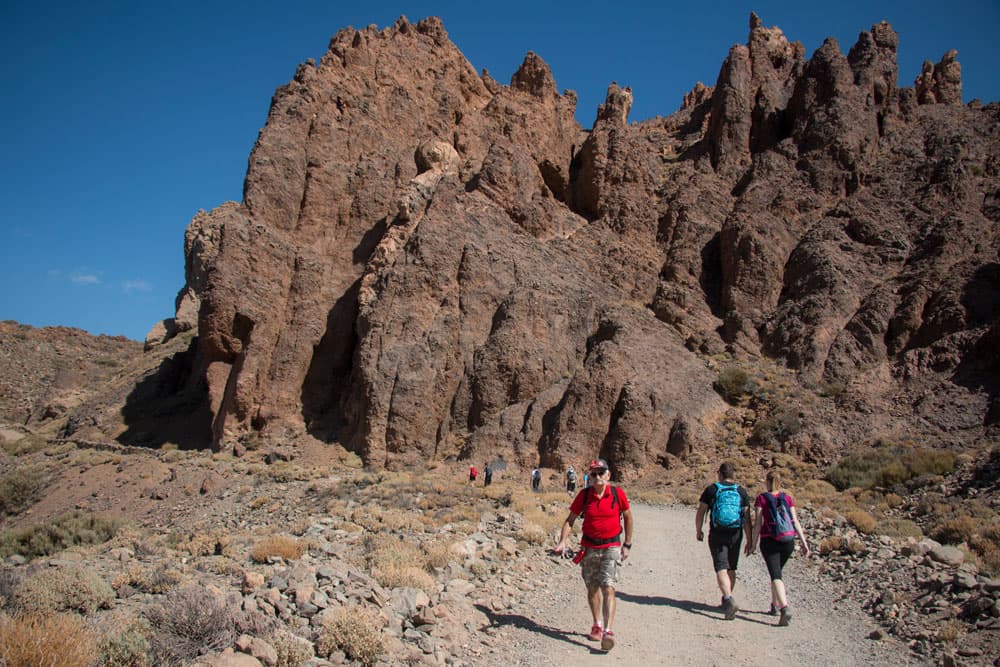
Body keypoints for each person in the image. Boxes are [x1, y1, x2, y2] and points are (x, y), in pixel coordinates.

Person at [553, 458, 634, 652]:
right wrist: (563, 541)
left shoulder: (617, 493)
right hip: (589, 548)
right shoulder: (584, 495)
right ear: (590, 476)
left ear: (608, 475)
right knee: (592, 588)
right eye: (593, 474)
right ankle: (596, 623)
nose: (597, 477)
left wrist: (627, 544)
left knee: (609, 587)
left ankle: (608, 631)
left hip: (611, 546)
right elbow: (570, 520)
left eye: (601, 473)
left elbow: (629, 517)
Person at [747, 469, 811, 626]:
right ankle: (774, 605)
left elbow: (758, 524)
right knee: (776, 573)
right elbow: (795, 521)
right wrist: (804, 543)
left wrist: (752, 543)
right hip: (788, 541)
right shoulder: (787, 498)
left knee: (775, 574)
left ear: (767, 482)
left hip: (770, 541)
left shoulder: (762, 498)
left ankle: (784, 608)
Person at [695, 461, 751, 620]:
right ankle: (728, 597)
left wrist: (698, 530)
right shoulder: (741, 491)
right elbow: (747, 518)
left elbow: (701, 511)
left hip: (717, 532)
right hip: (736, 533)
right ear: (733, 474)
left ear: (720, 473)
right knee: (731, 568)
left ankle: (728, 598)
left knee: (721, 567)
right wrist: (750, 539)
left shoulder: (712, 489)